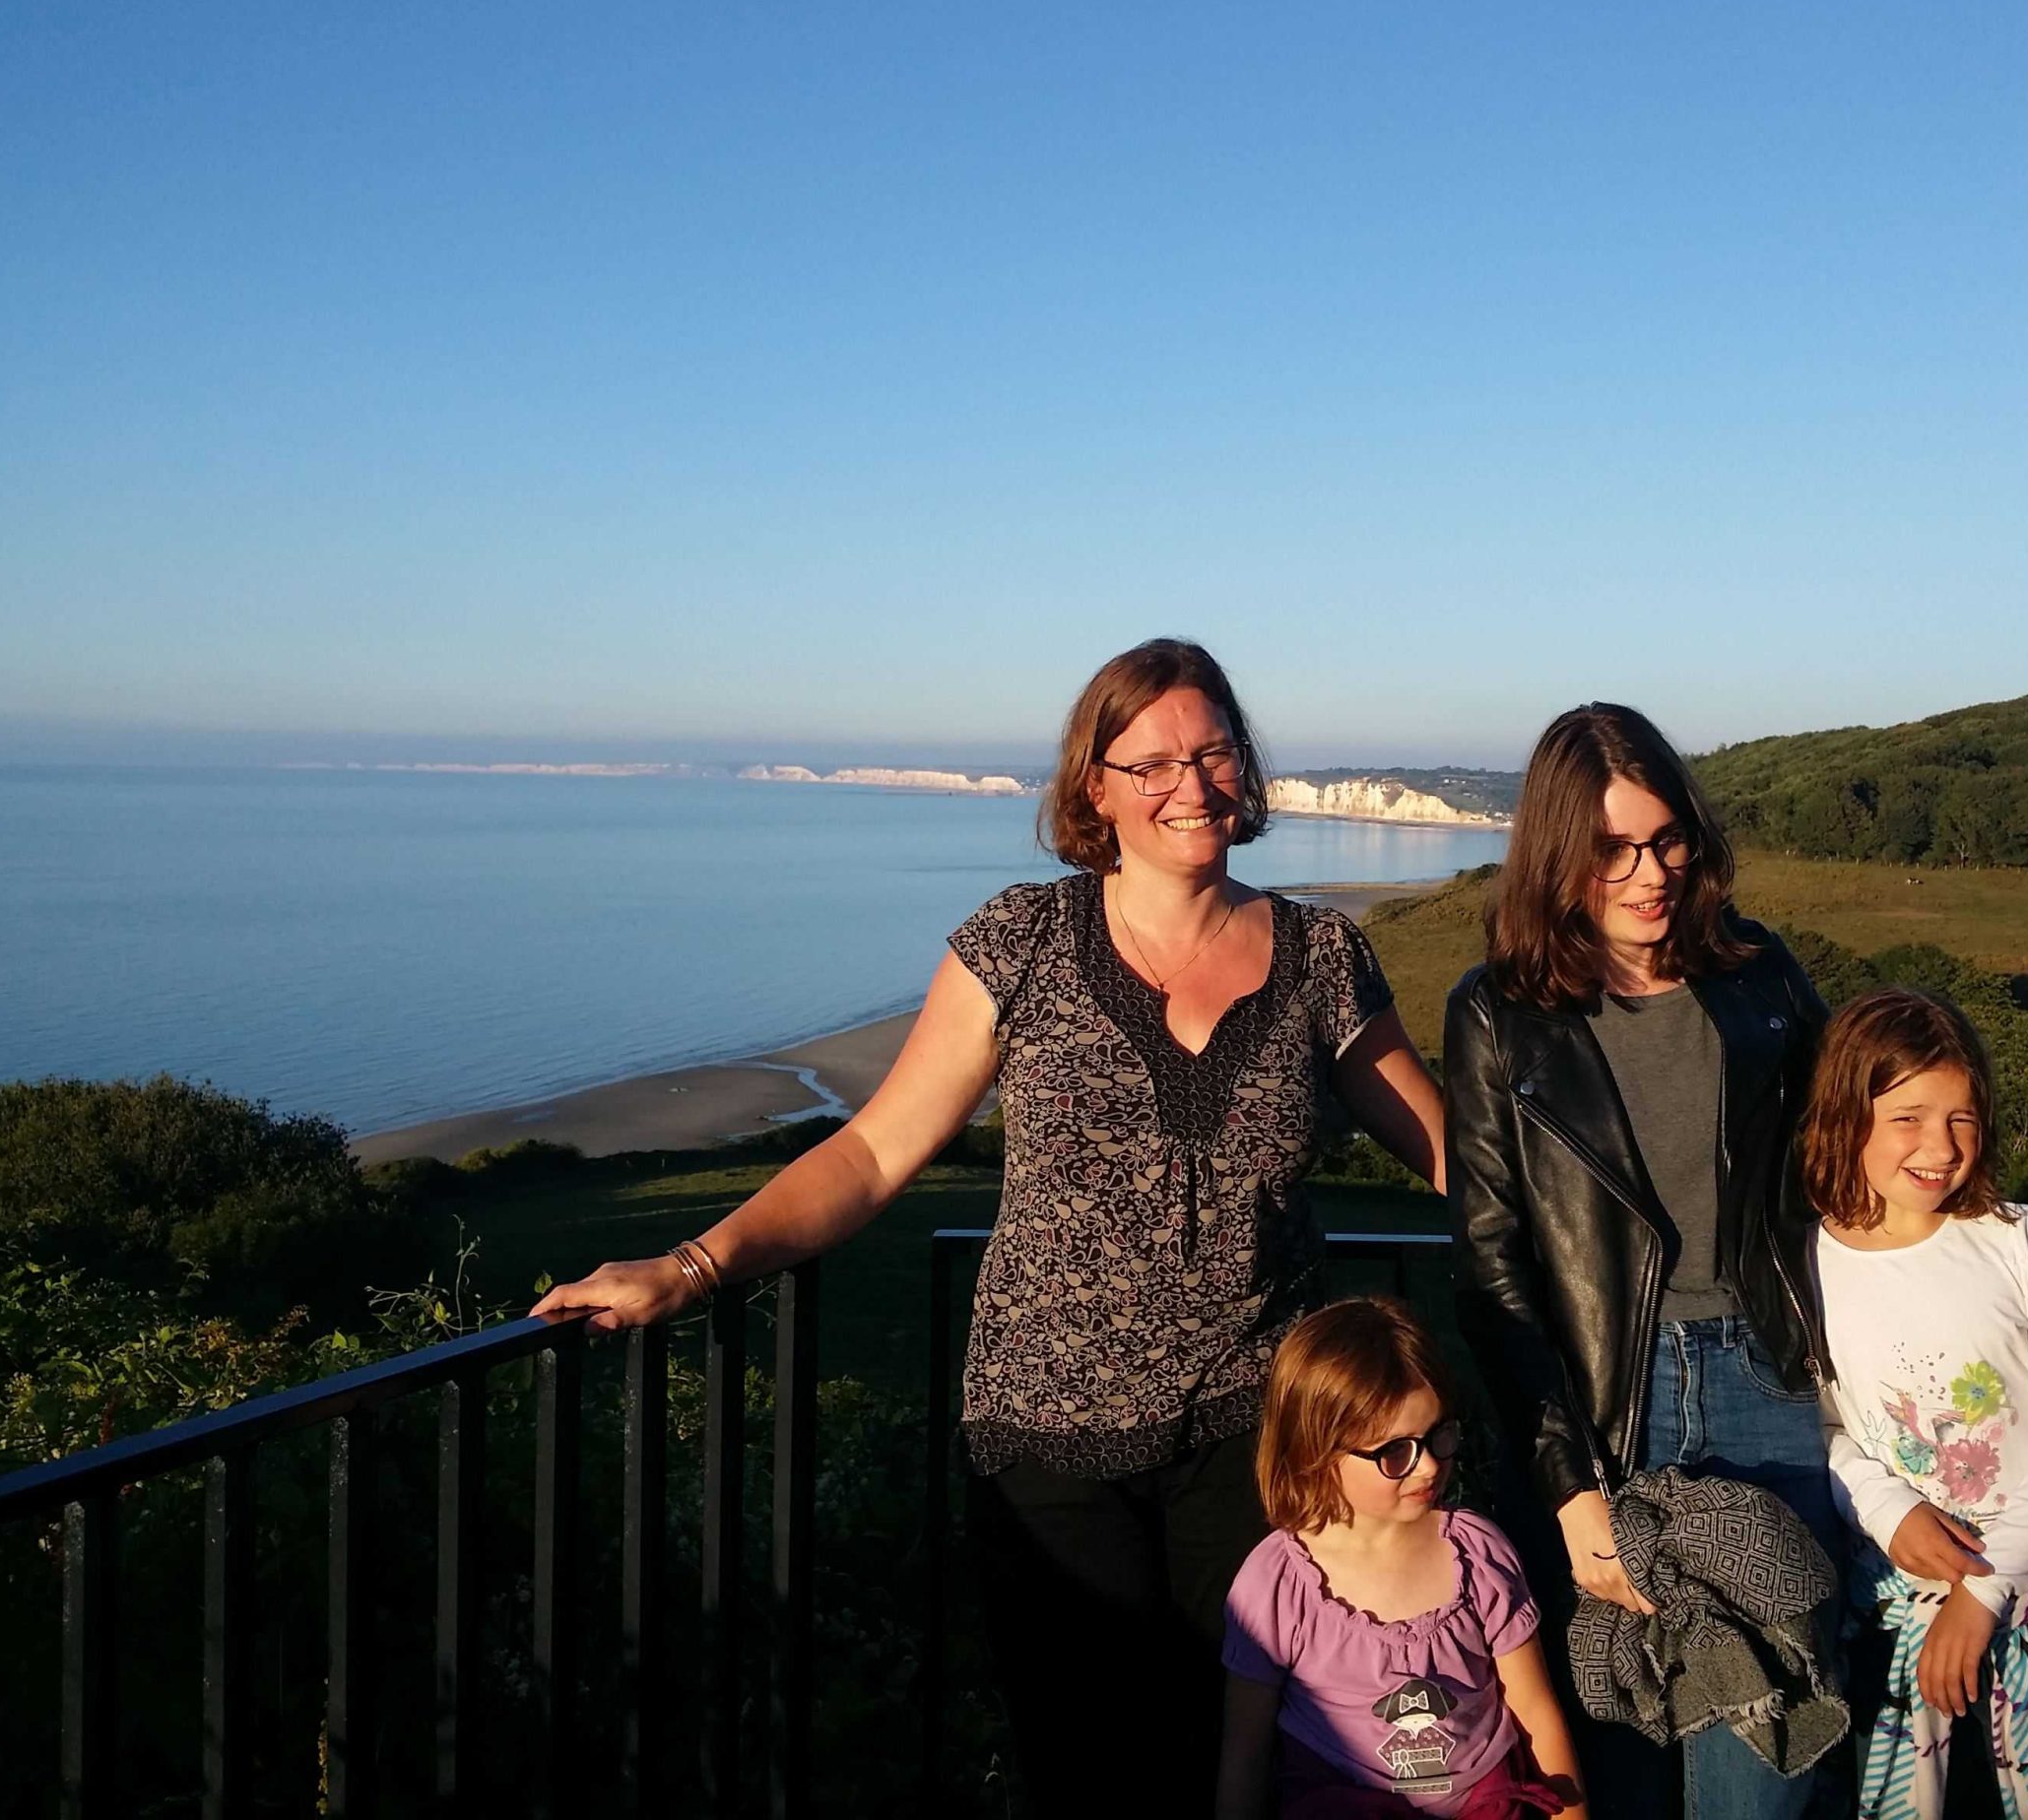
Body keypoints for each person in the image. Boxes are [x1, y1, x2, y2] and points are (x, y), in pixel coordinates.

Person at [533, 637, 1445, 1803]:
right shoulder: (1022, 941)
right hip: (1046, 1439)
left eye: (1214, 753)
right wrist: (694, 1265)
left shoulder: (1321, 954)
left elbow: (1450, 1152)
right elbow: (873, 1151)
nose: (1191, 784)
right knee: (1090, 1769)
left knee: (1253, 1759)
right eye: (1152, 763)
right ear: (1095, 787)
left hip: (1257, 1430)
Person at [1444, 702, 1840, 1819]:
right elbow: (1492, 1264)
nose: (1649, 874)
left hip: (1769, 1384)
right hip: (1607, 1409)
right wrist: (1568, 1487)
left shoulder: (1759, 975)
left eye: (1667, 841)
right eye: (1612, 849)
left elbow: (1844, 1156)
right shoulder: (1496, 1014)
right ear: (1557, 852)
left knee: (1767, 1755)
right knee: (1619, 1761)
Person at [1803, 989, 2028, 1818]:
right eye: (1908, 1118)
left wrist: (1983, 1591)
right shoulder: (1808, 1262)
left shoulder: (2018, 1238)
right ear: (1845, 1116)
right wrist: (1890, 1509)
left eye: (1961, 1119)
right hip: (1891, 1623)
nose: (1940, 1147)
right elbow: (1822, 1425)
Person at [1216, 1296, 1586, 1819]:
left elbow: (1535, 1710)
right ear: (1315, 1450)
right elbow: (1245, 1753)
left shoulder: (1477, 1553)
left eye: (1438, 1434)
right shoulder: (1277, 1582)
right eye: (1395, 1451)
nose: (1428, 1467)